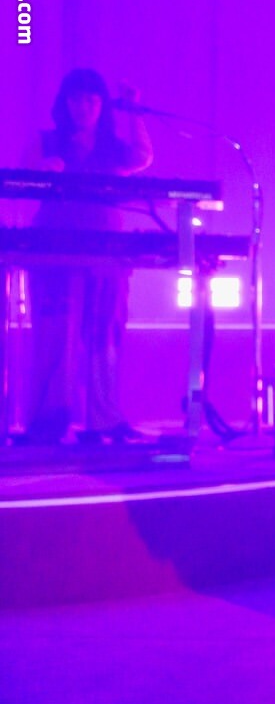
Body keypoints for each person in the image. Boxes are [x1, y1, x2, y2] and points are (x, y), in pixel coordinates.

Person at [23, 68, 153, 444]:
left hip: (106, 251)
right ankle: (48, 421)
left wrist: (133, 110)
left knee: (104, 333)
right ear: (64, 103)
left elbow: (143, 157)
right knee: (55, 332)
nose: (84, 107)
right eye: (77, 99)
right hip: (54, 250)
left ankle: (103, 419)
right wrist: (41, 170)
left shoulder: (112, 147)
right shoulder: (46, 141)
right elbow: (20, 174)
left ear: (102, 105)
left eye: (92, 100)